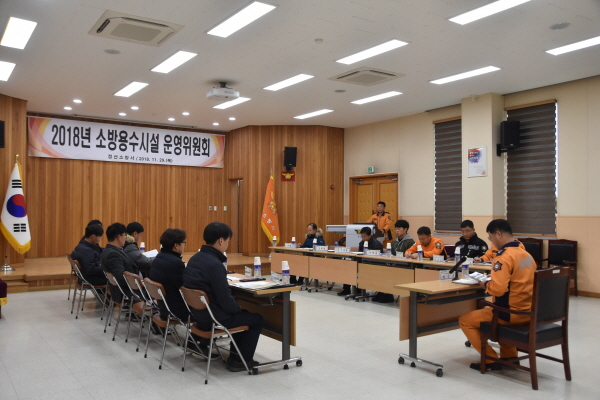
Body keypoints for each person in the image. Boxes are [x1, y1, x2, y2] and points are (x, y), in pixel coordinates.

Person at [183, 222, 264, 372]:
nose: (227, 244)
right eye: (227, 240)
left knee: (243, 314)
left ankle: (235, 357)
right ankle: (240, 360)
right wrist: (237, 308)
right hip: (214, 318)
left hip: (198, 315)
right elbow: (224, 299)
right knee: (256, 319)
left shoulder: (195, 258)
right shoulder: (214, 264)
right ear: (221, 240)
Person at [458, 219, 536, 371]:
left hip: (510, 314)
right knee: (499, 310)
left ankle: (490, 359)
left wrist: (485, 283)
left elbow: (498, 290)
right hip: (529, 312)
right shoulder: (527, 255)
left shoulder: (503, 257)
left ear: (498, 234)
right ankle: (510, 357)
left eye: (491, 237)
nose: (491, 241)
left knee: (465, 320)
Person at [101, 222, 140, 304]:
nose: (126, 238)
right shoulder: (113, 254)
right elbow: (120, 277)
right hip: (130, 291)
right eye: (125, 235)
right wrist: (139, 283)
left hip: (126, 289)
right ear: (119, 237)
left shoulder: (108, 250)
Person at [338, 226, 383, 297]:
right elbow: (360, 255)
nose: (363, 238)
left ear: (370, 235)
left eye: (364, 236)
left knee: (361, 270)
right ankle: (347, 290)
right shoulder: (362, 243)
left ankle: (359, 290)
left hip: (373, 266)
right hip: (363, 264)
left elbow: (377, 259)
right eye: (362, 236)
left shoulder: (376, 244)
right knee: (348, 268)